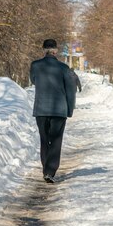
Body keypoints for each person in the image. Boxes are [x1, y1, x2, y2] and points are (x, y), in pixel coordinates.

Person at [30, 39, 76, 183]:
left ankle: (46, 168)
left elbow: (33, 81)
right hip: (59, 110)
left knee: (44, 140)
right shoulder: (64, 68)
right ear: (56, 51)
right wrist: (69, 109)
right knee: (56, 141)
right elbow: (70, 91)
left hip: (41, 109)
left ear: (43, 50)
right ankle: (50, 171)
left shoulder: (35, 65)